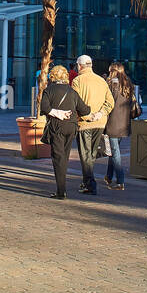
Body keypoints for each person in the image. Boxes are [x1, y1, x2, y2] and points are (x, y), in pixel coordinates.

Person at [39, 64, 90, 199]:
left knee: (58, 158)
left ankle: (61, 192)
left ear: (52, 76)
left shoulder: (49, 90)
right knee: (64, 156)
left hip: (57, 127)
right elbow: (85, 110)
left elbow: (44, 108)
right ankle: (62, 189)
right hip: (71, 126)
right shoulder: (72, 91)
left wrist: (57, 113)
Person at [71, 54, 114, 195]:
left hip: (84, 123)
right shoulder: (101, 81)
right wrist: (101, 114)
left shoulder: (77, 81)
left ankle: (90, 183)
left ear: (79, 66)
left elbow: (75, 102)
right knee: (92, 154)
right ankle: (88, 182)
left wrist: (87, 116)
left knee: (85, 155)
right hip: (99, 123)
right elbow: (110, 102)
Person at [103, 61, 140, 190]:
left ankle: (120, 181)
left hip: (112, 122)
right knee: (114, 149)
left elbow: (107, 103)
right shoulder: (128, 84)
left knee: (115, 151)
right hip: (124, 122)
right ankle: (108, 176)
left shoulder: (110, 84)